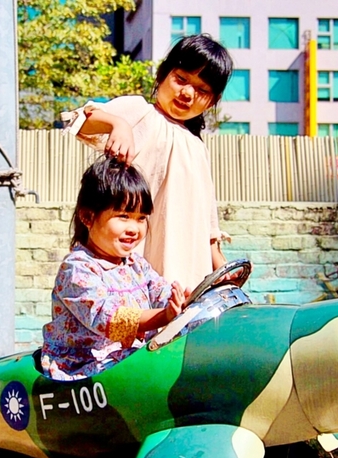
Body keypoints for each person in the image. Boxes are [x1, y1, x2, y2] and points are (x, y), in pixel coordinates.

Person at [61, 34, 233, 290]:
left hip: (187, 264)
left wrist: (220, 265)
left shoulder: (197, 146)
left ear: (213, 100)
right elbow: (81, 120)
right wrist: (118, 124)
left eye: (202, 90)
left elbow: (206, 216)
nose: (187, 93)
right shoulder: (140, 113)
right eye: (181, 79)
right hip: (138, 261)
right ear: (162, 74)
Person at [41, 156, 188, 381]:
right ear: (88, 217)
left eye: (141, 218)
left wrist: (185, 300)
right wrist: (163, 316)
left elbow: (162, 293)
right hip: (86, 368)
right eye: (123, 216)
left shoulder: (136, 264)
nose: (134, 228)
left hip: (127, 360)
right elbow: (109, 319)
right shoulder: (78, 270)